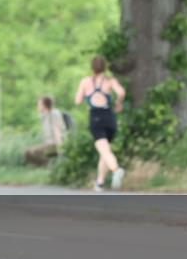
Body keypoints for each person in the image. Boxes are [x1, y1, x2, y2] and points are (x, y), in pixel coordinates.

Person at [76, 56, 126, 191]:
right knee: (105, 150)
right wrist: (118, 103)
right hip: (109, 117)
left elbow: (78, 101)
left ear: (92, 67)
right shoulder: (110, 81)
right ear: (105, 67)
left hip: (96, 117)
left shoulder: (86, 81)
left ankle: (116, 169)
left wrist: (88, 97)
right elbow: (121, 92)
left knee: (103, 149)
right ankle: (100, 182)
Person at [25, 96, 65, 166]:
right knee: (28, 152)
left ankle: (47, 166)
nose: (37, 106)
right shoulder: (44, 116)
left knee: (31, 152)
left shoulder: (53, 114)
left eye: (39, 104)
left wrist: (60, 147)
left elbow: (57, 130)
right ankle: (45, 166)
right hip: (49, 144)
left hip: (55, 144)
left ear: (44, 105)